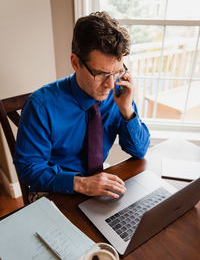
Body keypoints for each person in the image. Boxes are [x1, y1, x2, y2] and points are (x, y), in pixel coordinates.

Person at [14, 11, 150, 200]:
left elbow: (139, 151)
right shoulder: (40, 105)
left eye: (117, 72)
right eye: (101, 73)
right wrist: (81, 183)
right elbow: (29, 169)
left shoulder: (119, 94)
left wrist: (127, 110)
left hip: (97, 183)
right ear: (75, 63)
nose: (110, 84)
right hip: (53, 190)